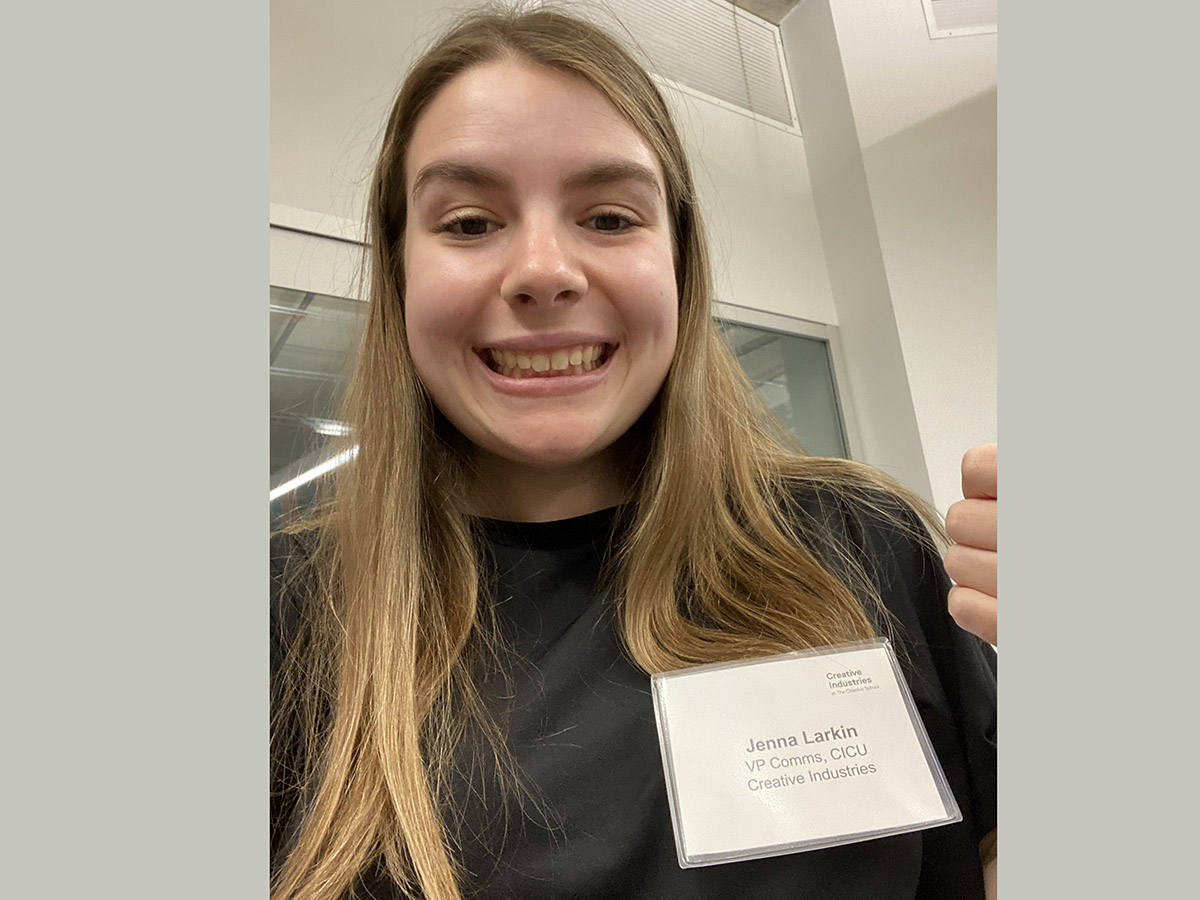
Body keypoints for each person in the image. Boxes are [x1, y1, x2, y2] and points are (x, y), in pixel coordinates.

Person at [270, 6, 998, 900]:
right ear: (399, 269)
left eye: (610, 218)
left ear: (681, 264)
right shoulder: (286, 612)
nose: (544, 269)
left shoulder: (860, 544)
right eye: (467, 223)